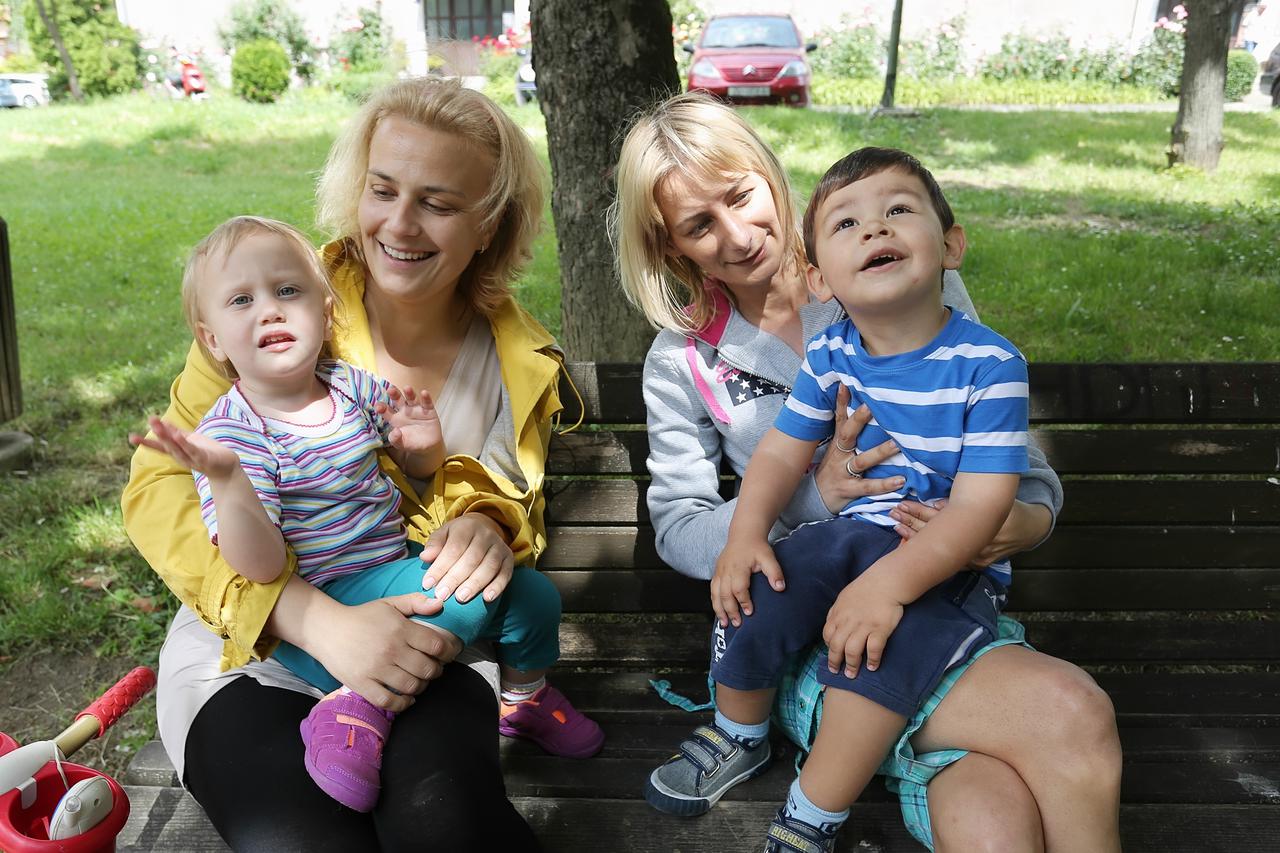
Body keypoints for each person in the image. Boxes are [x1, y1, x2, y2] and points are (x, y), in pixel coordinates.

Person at [612, 92, 1122, 852]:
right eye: (698, 225)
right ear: (669, 246)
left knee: (995, 815)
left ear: (769, 177)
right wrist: (814, 498)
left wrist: (1017, 519)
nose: (736, 232)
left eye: (741, 195)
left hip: (936, 587)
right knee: (1070, 714)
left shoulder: (891, 271)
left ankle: (888, 775)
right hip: (802, 628)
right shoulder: (685, 361)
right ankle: (796, 784)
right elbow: (683, 529)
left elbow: (1007, 456)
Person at [122, 78, 573, 850]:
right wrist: (310, 617)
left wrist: (491, 526)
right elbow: (162, 489)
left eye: (437, 202)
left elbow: (509, 502)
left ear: (488, 223)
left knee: (446, 825)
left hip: (423, 634)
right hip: (248, 642)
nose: (399, 224)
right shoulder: (283, 300)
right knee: (300, 839)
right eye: (383, 189)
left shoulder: (517, 358)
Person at [692, 147, 1026, 850]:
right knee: (760, 581)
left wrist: (889, 587)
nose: (876, 230)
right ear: (818, 278)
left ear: (951, 245)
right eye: (847, 223)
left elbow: (980, 508)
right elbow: (783, 451)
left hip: (945, 557)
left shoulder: (990, 365)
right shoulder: (833, 353)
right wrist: (745, 533)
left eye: (899, 211)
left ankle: (814, 810)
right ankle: (738, 730)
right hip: (852, 532)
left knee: (882, 656)